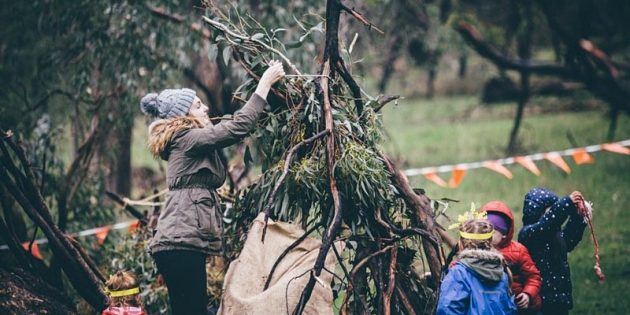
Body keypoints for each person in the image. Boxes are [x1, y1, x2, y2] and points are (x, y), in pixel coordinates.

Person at [140, 61, 285, 315]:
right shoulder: (185, 139)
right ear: (183, 117)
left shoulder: (191, 142)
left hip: (179, 245)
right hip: (179, 245)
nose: (205, 107)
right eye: (197, 106)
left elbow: (225, 130)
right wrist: (264, 85)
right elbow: (236, 128)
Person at [518, 188, 587, 315]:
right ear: (537, 212)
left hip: (559, 299)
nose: (555, 214)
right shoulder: (528, 233)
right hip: (538, 300)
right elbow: (546, 225)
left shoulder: (554, 234)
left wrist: (578, 218)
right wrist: (566, 203)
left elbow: (569, 241)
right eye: (551, 210)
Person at [437, 218, 517, 315]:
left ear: (461, 245)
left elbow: (447, 309)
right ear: (490, 243)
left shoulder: (459, 272)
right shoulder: (501, 271)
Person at [481, 201, 542, 314]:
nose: (487, 235)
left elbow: (533, 276)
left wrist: (527, 294)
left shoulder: (518, 251)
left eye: (492, 232)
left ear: (504, 233)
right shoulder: (477, 249)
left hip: (519, 305)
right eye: (484, 231)